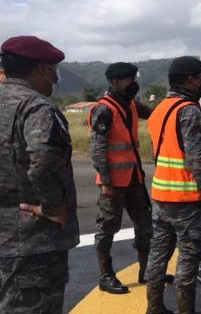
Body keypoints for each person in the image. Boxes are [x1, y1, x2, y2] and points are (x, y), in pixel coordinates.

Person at [0, 36, 79, 313]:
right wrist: (54, 207)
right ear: (42, 68)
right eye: (54, 70)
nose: (55, 77)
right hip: (31, 243)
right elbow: (44, 161)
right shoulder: (37, 107)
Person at [144, 56, 201, 314]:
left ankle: (154, 308)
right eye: (200, 77)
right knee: (189, 255)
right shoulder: (189, 110)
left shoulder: (161, 108)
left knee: (158, 254)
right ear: (190, 80)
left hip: (161, 194)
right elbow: (195, 158)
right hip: (186, 199)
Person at [90, 62, 173, 294]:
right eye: (130, 79)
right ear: (115, 82)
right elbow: (97, 149)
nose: (134, 83)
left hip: (134, 178)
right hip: (113, 182)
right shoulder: (104, 109)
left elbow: (156, 114)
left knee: (145, 225)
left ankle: (147, 272)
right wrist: (106, 182)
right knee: (107, 228)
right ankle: (105, 276)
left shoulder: (131, 104)